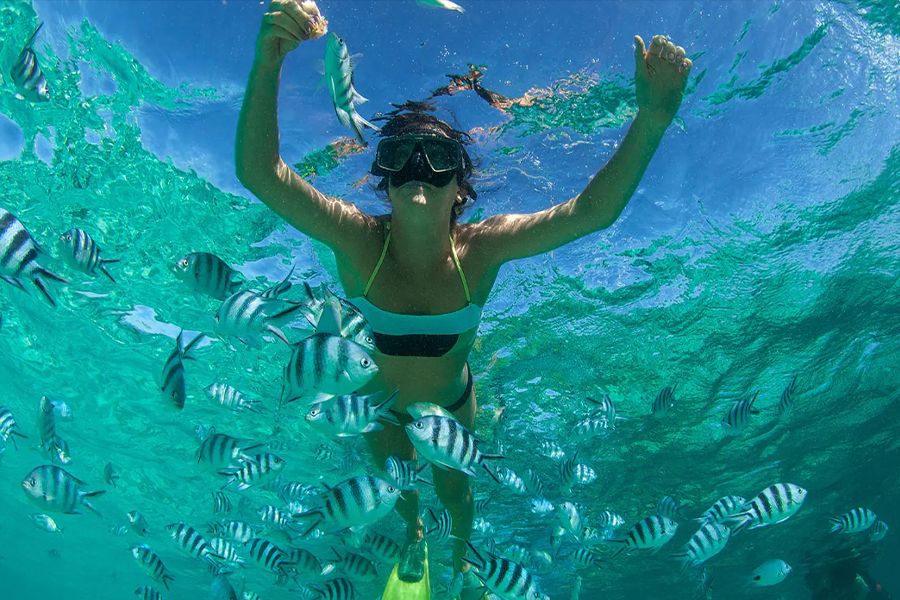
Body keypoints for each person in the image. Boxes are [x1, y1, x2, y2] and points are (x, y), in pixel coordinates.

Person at [236, 1, 692, 597]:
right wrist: (268, 60)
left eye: (439, 158)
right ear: (382, 178)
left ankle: (462, 561)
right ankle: (412, 538)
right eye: (398, 157)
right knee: (398, 496)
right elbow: (260, 174)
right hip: (378, 410)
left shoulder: (483, 248)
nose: (418, 170)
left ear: (460, 184)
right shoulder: (355, 237)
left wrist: (653, 118)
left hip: (455, 406)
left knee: (457, 491)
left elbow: (592, 212)